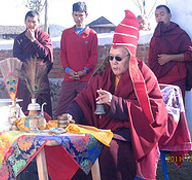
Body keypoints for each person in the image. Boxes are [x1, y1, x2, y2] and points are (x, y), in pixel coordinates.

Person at [58, 10, 168, 180]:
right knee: (77, 146)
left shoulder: (145, 77)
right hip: (101, 130)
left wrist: (115, 103)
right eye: (111, 57)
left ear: (130, 57)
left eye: (118, 58)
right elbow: (83, 100)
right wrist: (71, 115)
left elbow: (155, 114)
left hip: (128, 132)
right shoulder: (103, 76)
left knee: (110, 150)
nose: (113, 63)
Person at [54, 1, 98, 118]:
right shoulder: (66, 33)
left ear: (86, 15)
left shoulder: (92, 34)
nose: (78, 18)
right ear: (72, 15)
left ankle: (85, 135)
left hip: (86, 79)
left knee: (86, 109)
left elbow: (94, 57)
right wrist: (68, 70)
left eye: (81, 15)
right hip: (69, 78)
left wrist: (84, 71)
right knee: (61, 109)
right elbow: (63, 54)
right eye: (76, 15)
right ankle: (59, 133)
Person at [148, 5, 192, 99]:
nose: (159, 18)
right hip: (159, 80)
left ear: (169, 15)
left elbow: (190, 55)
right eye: (156, 15)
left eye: (162, 14)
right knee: (161, 110)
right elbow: (151, 60)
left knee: (176, 109)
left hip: (176, 79)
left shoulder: (179, 34)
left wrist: (169, 57)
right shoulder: (156, 37)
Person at [13, 10, 53, 117]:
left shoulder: (44, 37)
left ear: (39, 22)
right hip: (24, 78)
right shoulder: (19, 39)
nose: (31, 24)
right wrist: (34, 59)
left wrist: (33, 40)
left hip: (39, 77)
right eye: (29, 21)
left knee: (42, 106)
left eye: (34, 22)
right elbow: (17, 57)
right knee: (24, 105)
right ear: (25, 22)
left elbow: (45, 54)